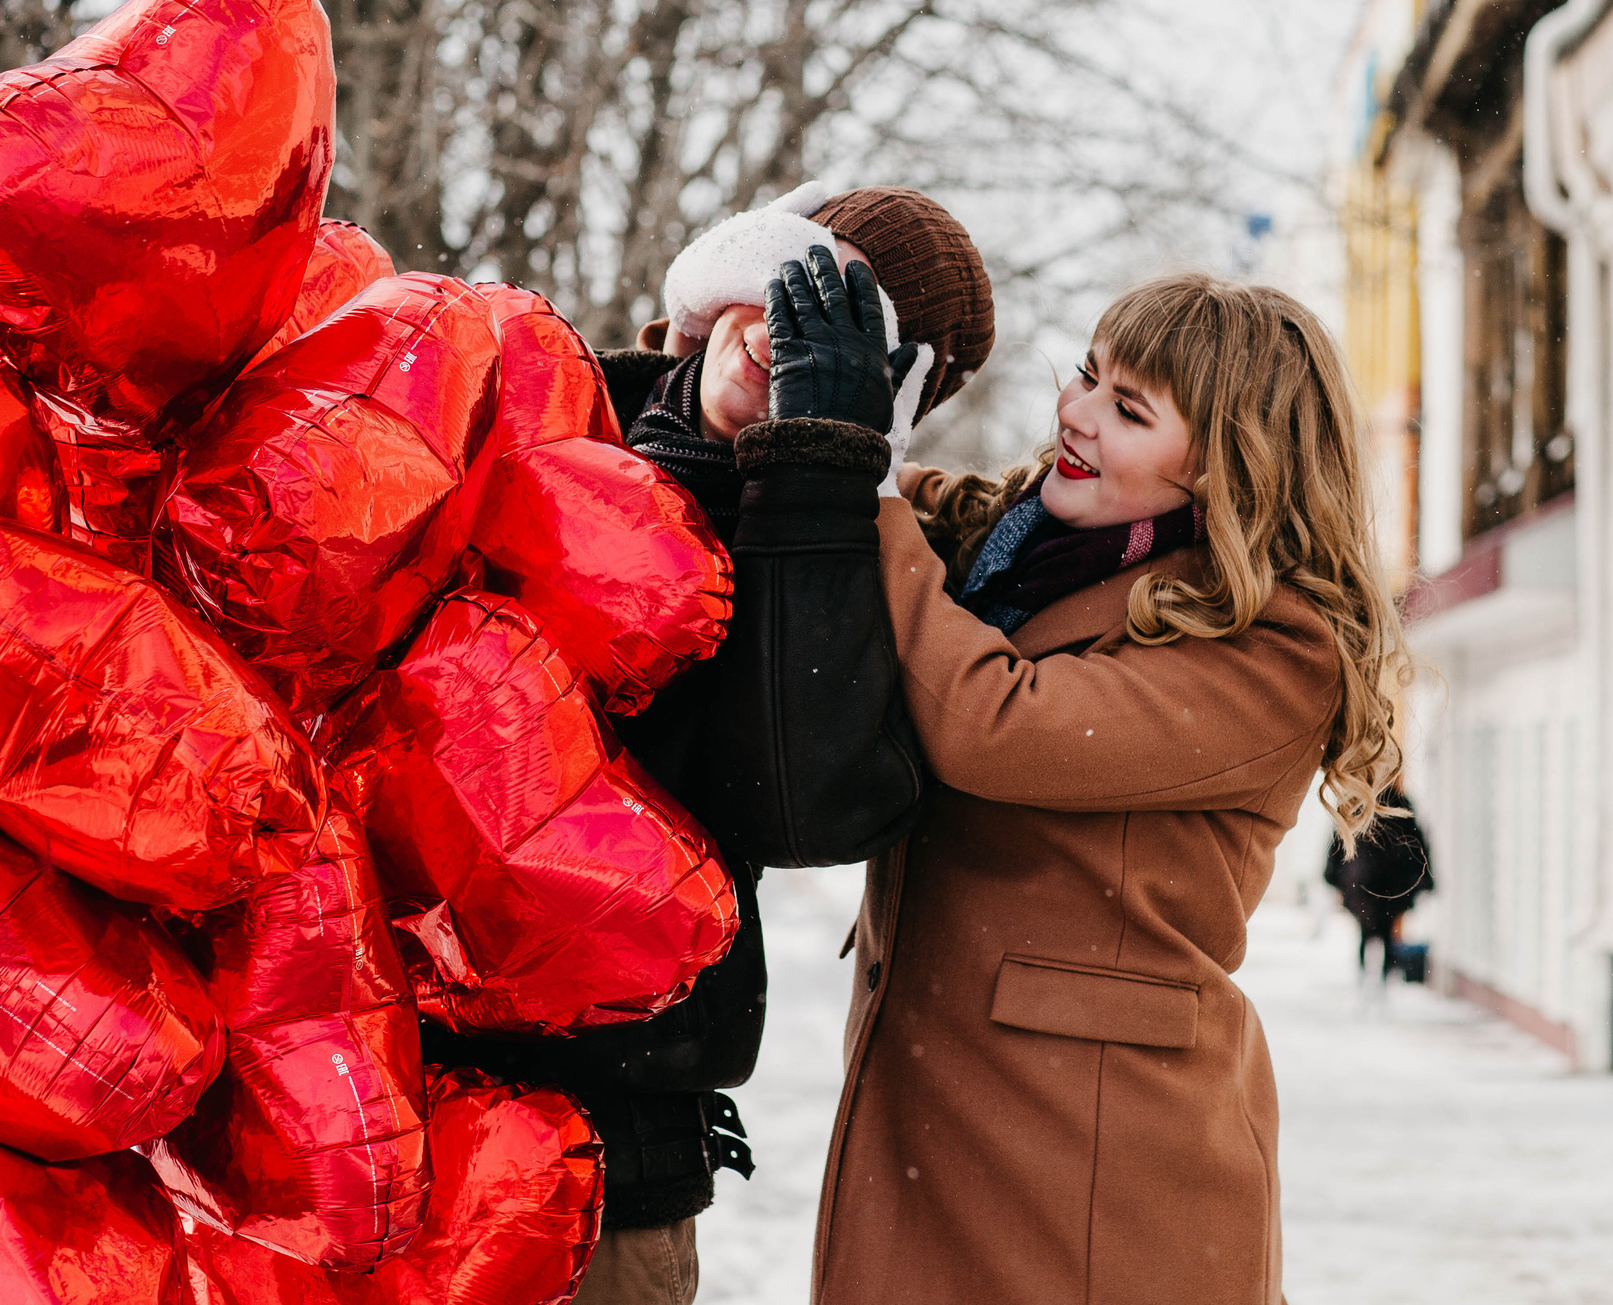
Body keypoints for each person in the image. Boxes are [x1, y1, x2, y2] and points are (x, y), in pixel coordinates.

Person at [793, 267, 1408, 1305]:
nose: (1074, 414)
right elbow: (912, 502)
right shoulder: (1028, 546)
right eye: (1086, 375)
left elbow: (994, 724)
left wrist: (863, 483)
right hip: (956, 1109)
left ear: (1228, 467)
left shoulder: (1276, 647)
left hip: (1098, 1160)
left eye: (1127, 409)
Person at [440, 183, 994, 1305]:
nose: (793, 335)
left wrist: (813, 484)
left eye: (850, 331)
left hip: (601, 1173)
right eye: (794, 285)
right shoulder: (536, 409)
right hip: (369, 1122)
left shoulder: (853, 548)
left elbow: (798, 805)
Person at [1324, 784, 1435, 982]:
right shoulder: (1395, 803)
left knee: (1372, 930)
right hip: (1382, 881)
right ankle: (1379, 979)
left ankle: (1372, 979)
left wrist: (1333, 875)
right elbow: (1416, 843)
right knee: (1380, 930)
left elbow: (1337, 843)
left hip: (1366, 880)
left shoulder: (1358, 803)